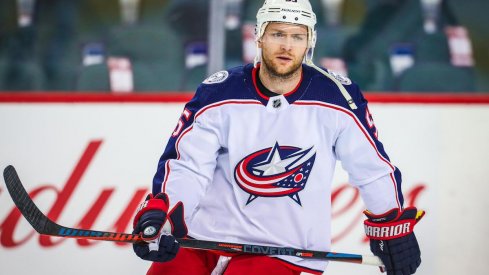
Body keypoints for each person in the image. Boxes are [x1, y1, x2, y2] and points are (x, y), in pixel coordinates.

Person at [131, 0, 424, 274]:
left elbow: (371, 169)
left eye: (297, 36)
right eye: (277, 34)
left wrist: (391, 224)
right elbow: (188, 165)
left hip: (284, 252)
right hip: (202, 239)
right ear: (259, 37)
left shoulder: (338, 98)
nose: (286, 45)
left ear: (310, 41)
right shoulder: (219, 92)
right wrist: (164, 216)